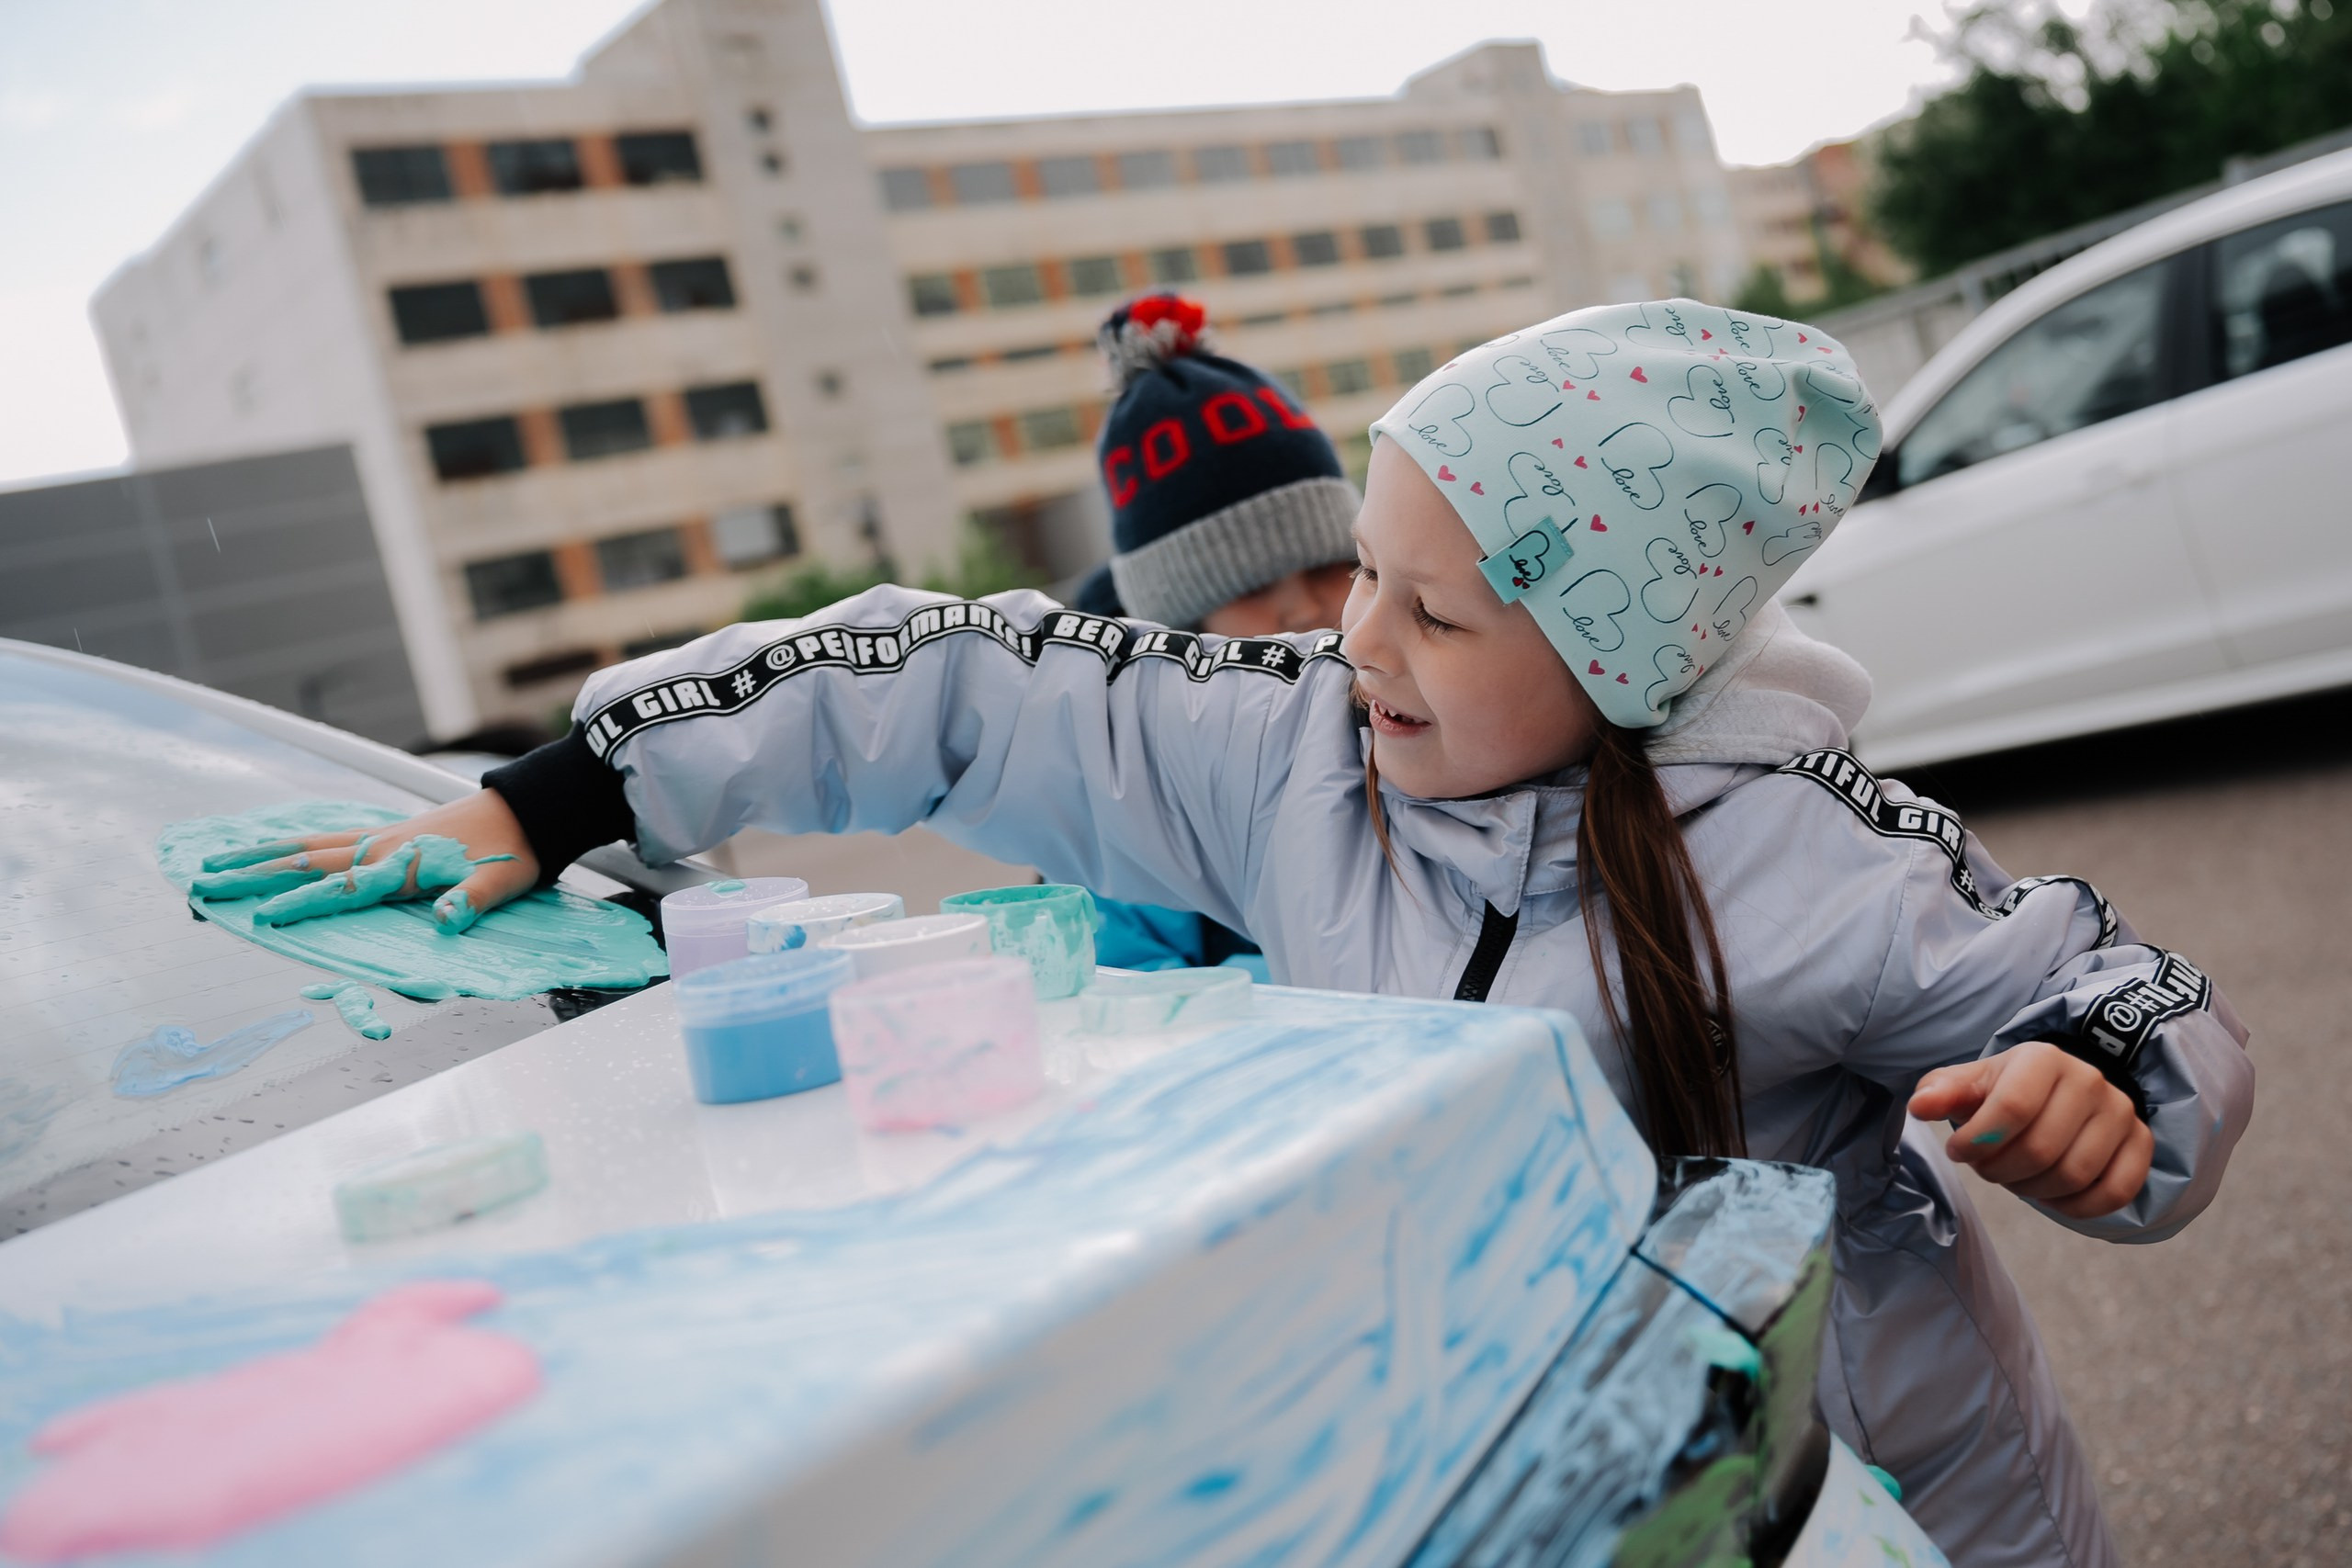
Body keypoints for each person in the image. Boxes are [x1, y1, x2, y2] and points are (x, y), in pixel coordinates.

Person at [226, 299, 2251, 1568]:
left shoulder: (1807, 854)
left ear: (1620, 650)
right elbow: (945, 671)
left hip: (1867, 1481)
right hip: (1511, 1476)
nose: (1348, 640)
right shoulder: (1279, 754)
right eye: (1358, 575)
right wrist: (554, 793)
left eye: (1429, 612)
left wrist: (2094, 1093)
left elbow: (2117, 983)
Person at [1072, 292, 1359, 975]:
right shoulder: (1139, 796)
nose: (1301, 610)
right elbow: (1122, 982)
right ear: (1180, 621)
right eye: (1249, 586)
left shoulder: (1438, 719)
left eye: (1330, 565)